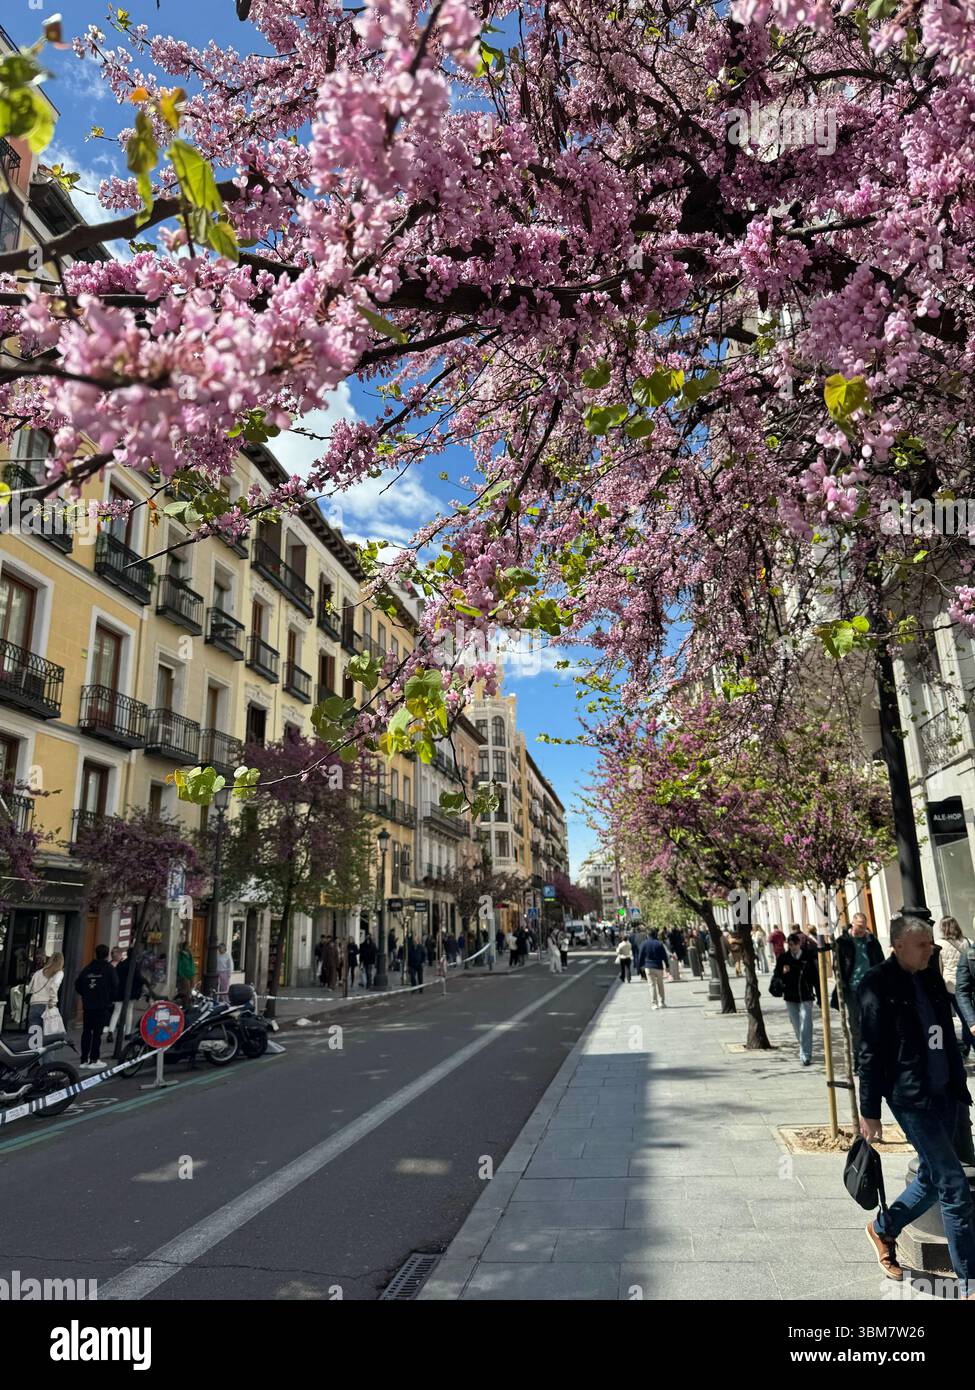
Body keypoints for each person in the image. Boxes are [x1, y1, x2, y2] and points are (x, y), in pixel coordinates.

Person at [860, 915, 975, 1295]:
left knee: (930, 1177)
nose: (931, 949)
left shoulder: (927, 976)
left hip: (946, 1091)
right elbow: (870, 1053)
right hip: (911, 1097)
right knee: (953, 1184)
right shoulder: (877, 984)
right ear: (898, 945)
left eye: (930, 942)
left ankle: (883, 1228)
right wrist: (869, 1111)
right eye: (922, 943)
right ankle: (969, 1281)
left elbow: (944, 1027)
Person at [833, 912, 884, 1063]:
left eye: (864, 926)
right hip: (851, 988)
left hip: (870, 988)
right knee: (855, 1024)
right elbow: (838, 966)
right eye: (859, 926)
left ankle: (872, 1055)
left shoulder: (871, 940)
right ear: (852, 924)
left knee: (871, 1021)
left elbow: (880, 961)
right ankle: (858, 1058)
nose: (861, 930)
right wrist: (840, 983)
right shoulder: (842, 942)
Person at [772, 930, 820, 1065]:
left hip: (806, 995)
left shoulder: (808, 957)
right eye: (790, 945)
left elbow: (815, 978)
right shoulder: (784, 958)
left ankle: (805, 1054)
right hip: (790, 996)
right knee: (796, 1025)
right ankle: (804, 1047)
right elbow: (777, 974)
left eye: (795, 944)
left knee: (806, 1024)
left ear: (799, 944)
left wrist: (820, 996)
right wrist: (780, 979)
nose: (792, 947)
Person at [74, 944, 118, 1071]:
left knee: (86, 1031)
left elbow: (78, 984)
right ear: (107, 955)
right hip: (102, 1005)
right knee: (97, 1033)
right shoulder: (109, 969)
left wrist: (86, 995)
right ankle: (94, 1058)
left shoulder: (87, 968)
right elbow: (115, 985)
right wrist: (109, 998)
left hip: (88, 1005)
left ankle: (84, 1059)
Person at [938, 916, 974, 1059]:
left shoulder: (939, 944)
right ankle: (966, 1045)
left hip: (950, 985)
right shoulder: (968, 941)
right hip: (968, 984)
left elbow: (940, 967)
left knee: (963, 1019)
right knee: (967, 1017)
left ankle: (965, 1046)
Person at [27, 952, 64, 1034]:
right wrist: (52, 1000)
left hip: (34, 1004)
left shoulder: (38, 972)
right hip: (47, 1005)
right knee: (48, 1034)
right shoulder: (59, 973)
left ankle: (35, 1047)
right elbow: (55, 985)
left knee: (34, 1035)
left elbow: (29, 988)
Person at [638, 928, 670, 1009]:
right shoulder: (659, 944)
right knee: (660, 985)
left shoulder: (644, 944)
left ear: (647, 935)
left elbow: (640, 956)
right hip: (658, 966)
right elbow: (664, 956)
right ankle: (661, 1002)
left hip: (648, 966)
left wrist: (640, 966)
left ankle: (654, 1004)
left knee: (651, 985)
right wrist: (667, 966)